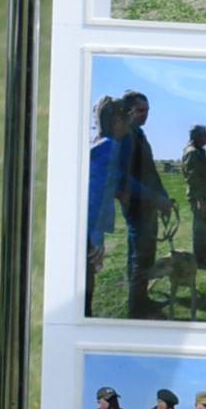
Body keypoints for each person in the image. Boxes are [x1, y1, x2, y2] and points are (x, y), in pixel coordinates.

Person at [117, 88, 173, 316]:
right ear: (128, 110)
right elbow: (122, 178)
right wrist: (154, 197)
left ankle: (141, 300)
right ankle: (137, 309)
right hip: (137, 207)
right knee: (140, 257)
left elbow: (150, 172)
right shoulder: (126, 136)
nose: (146, 115)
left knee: (145, 256)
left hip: (148, 206)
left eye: (148, 110)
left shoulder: (140, 135)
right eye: (141, 110)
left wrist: (163, 197)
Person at [85, 96, 129, 314]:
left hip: (84, 229)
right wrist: (96, 239)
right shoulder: (110, 147)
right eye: (125, 119)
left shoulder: (98, 143)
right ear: (115, 122)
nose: (128, 125)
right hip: (88, 232)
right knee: (85, 293)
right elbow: (96, 196)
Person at [182, 123, 206, 267]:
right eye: (205, 135)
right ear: (197, 137)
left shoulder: (200, 151)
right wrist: (198, 199)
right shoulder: (192, 152)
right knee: (200, 227)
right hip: (200, 197)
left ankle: (204, 250)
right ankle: (199, 259)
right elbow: (192, 178)